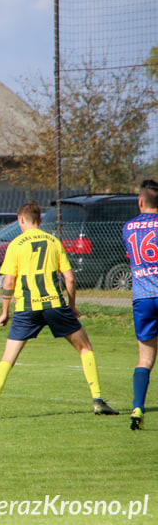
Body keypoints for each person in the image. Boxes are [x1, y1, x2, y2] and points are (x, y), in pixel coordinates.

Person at [0, 201, 118, 420]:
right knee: (85, 347)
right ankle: (98, 400)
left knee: (8, 357)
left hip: (25, 308)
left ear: (21, 220)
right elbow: (69, 278)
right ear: (40, 220)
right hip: (54, 304)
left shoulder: (15, 244)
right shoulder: (53, 241)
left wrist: (4, 311)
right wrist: (71, 307)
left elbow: (8, 281)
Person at [122, 179, 158, 430]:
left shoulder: (128, 227)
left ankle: (137, 407)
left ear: (141, 201)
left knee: (144, 358)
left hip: (143, 297)